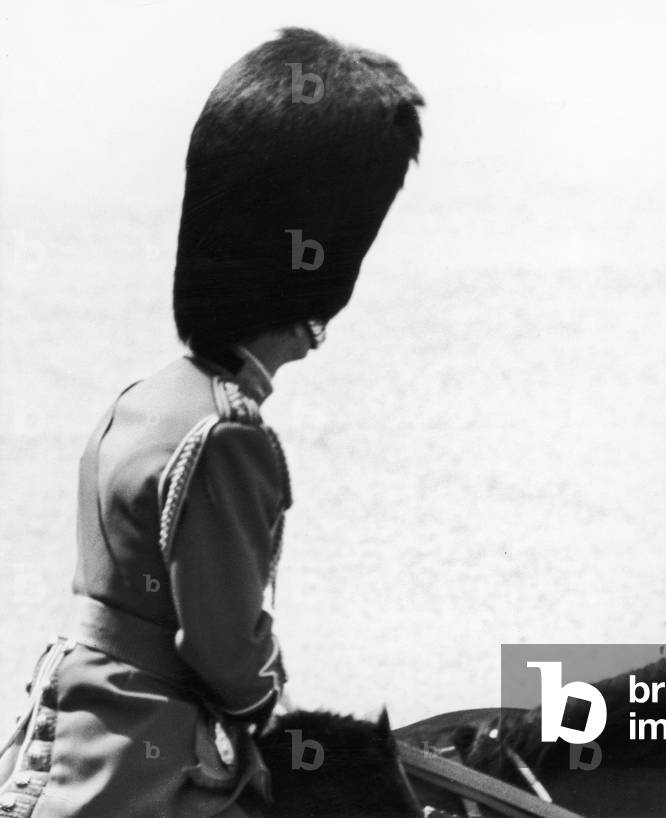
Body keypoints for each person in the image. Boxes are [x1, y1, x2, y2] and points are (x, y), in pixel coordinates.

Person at [0, 28, 423, 816]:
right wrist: (284, 714)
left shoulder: (146, 396)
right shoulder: (230, 437)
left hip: (73, 720)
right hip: (152, 750)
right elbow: (222, 650)